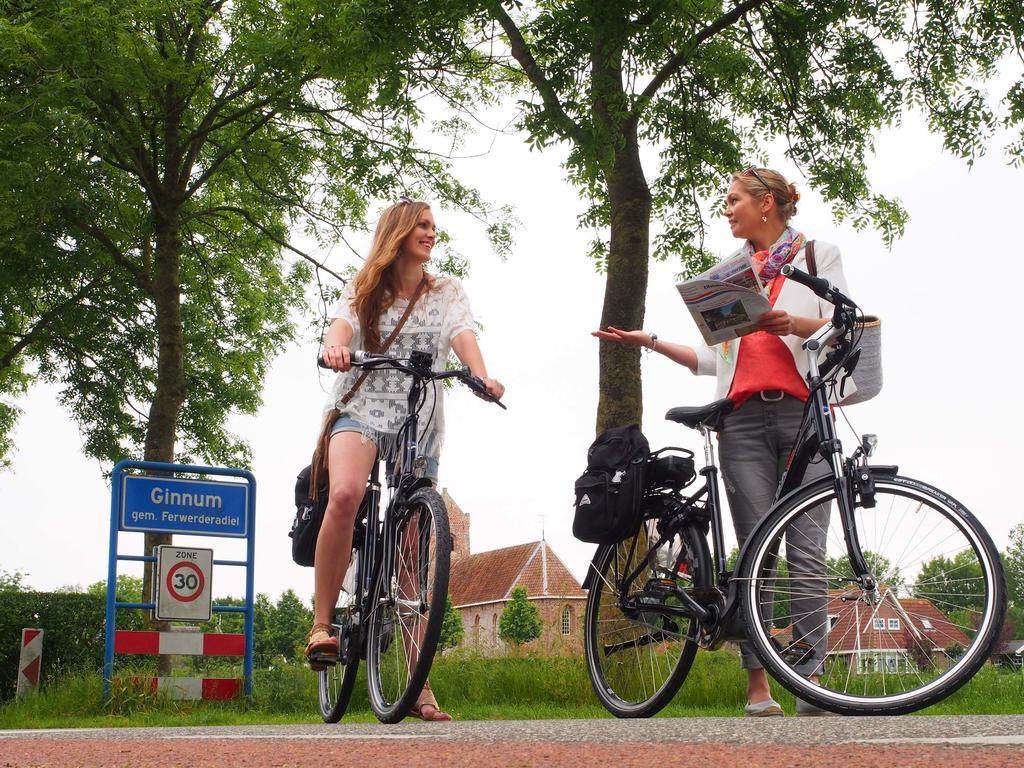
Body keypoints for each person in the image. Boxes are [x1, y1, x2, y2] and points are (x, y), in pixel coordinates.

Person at [593, 167, 847, 717]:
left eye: (734, 200)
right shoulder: (728, 277)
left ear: (769, 203)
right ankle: (758, 686)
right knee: (757, 550)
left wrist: (792, 324)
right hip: (742, 423)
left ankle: (811, 684)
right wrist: (651, 342)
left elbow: (840, 327)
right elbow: (715, 360)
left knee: (807, 550)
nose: (726, 209)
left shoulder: (814, 258)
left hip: (806, 414)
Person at [308, 198, 505, 721]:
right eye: (421, 224)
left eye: (434, 227)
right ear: (397, 232)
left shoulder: (447, 291)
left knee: (415, 562)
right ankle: (322, 625)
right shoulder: (365, 285)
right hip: (363, 407)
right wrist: (334, 347)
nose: (431, 233)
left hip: (419, 417)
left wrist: (481, 373)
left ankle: (418, 687)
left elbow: (464, 336)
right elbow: (341, 325)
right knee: (347, 494)